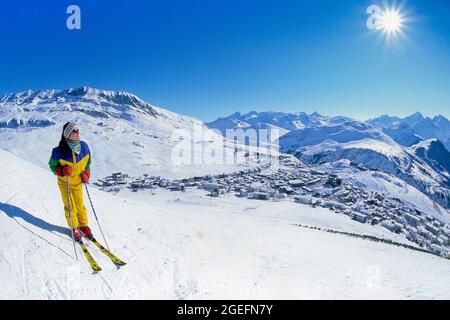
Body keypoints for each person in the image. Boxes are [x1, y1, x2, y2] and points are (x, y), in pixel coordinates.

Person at [48, 122, 93, 241]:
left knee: (80, 206)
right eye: (74, 131)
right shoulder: (58, 151)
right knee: (70, 206)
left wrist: (86, 174)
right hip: (65, 183)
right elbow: (52, 166)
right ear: (67, 134)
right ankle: (74, 228)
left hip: (78, 183)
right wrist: (61, 170)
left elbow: (88, 163)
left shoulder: (84, 147)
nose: (77, 132)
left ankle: (83, 225)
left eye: (77, 130)